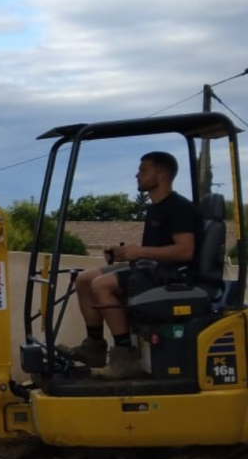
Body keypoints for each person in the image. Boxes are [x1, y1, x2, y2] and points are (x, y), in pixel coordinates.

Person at [61, 151, 200, 379]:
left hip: (174, 276)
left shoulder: (179, 208)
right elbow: (153, 251)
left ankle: (125, 355)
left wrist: (140, 251)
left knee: (101, 286)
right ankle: (94, 346)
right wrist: (125, 253)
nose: (137, 175)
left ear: (162, 174)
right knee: (84, 280)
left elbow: (185, 251)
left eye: (143, 170)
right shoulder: (156, 207)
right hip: (151, 269)